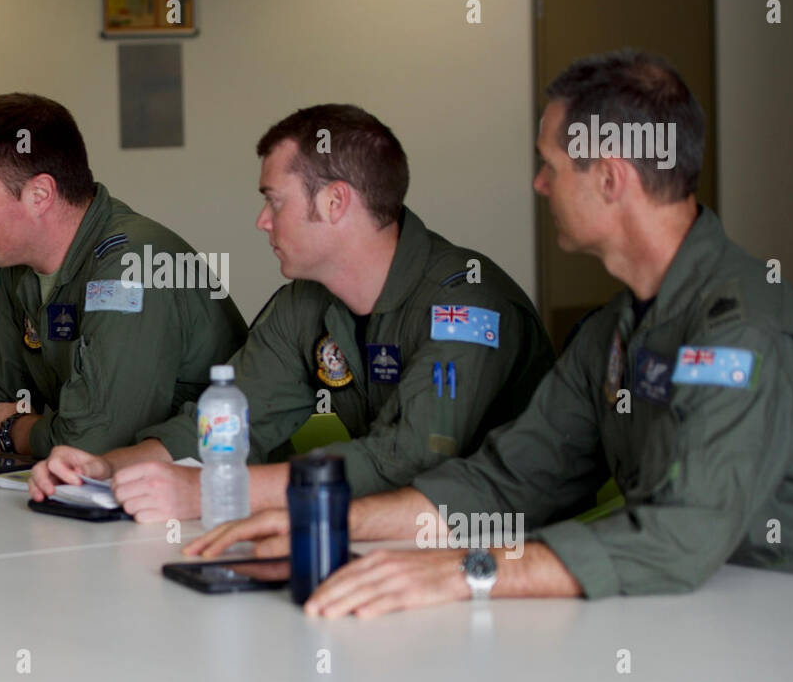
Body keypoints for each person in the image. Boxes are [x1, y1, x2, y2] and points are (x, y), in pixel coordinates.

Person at [188, 50, 793, 616]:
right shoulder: (615, 330)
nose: (539, 184)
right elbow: (510, 481)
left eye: (550, 165)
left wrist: (470, 572)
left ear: (610, 178)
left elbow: (682, 535)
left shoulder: (741, 326)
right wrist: (324, 523)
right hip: (686, 610)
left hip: (786, 623)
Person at [31, 104, 555, 520]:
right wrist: (105, 469)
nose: (262, 221)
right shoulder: (306, 302)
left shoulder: (467, 304)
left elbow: (413, 456)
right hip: (386, 534)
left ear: (334, 203)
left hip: (506, 545)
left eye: (274, 201)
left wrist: (212, 491)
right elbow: (223, 424)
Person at [0, 93, 247, 465]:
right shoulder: (20, 268)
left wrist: (17, 429)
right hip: (114, 496)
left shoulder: (133, 266)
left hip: (215, 495)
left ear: (40, 194)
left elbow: (94, 441)